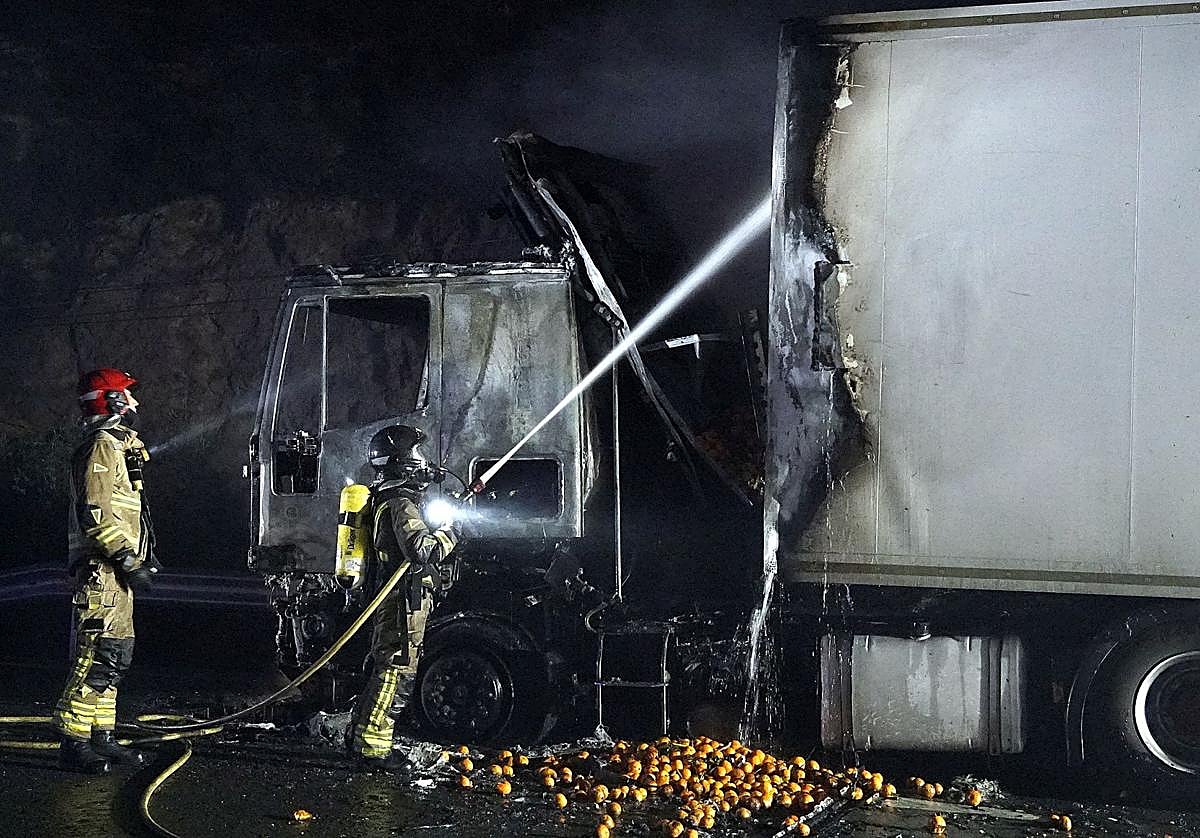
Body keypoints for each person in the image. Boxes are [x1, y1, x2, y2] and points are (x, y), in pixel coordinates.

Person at [53, 368, 158, 773]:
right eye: (128, 396)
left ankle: (102, 735)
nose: (135, 403)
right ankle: (73, 741)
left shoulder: (118, 447)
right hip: (103, 569)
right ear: (111, 401)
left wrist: (137, 559)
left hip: (117, 570)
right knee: (95, 655)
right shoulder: (100, 446)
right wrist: (128, 559)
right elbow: (95, 513)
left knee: (116, 654)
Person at [348, 425, 459, 770]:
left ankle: (362, 737)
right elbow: (421, 549)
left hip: (400, 598)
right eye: (417, 456)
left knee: (390, 668)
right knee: (396, 670)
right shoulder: (400, 504)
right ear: (402, 461)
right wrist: (452, 531)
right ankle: (371, 747)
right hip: (401, 600)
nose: (422, 462)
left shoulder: (391, 497)